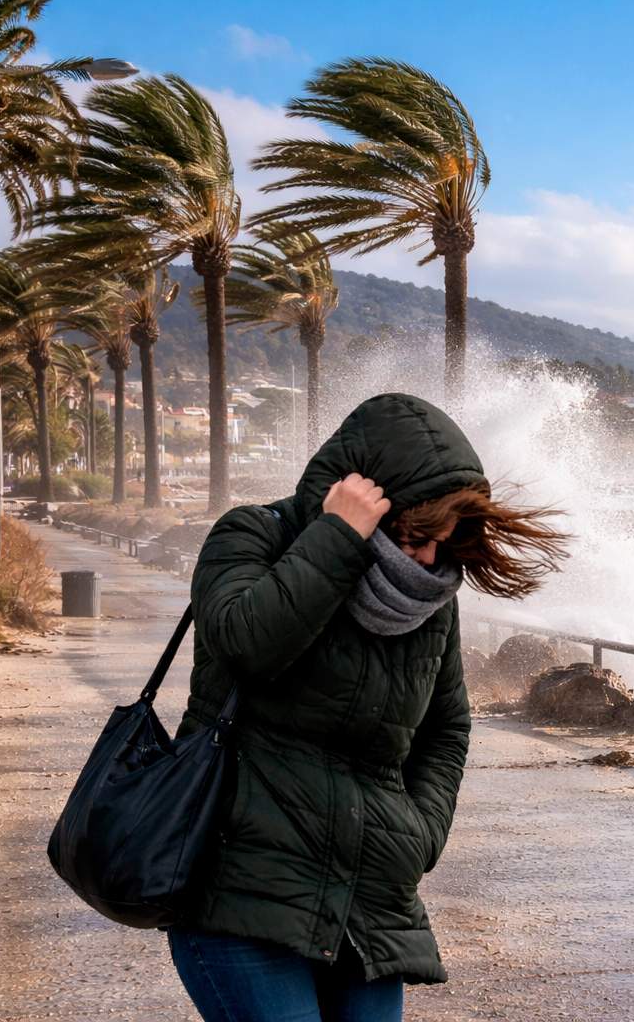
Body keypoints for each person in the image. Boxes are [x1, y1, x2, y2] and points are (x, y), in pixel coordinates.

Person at [167, 393, 566, 1021]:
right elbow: (246, 644)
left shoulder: (430, 605)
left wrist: (420, 833)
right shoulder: (252, 536)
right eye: (416, 535)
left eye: (443, 541)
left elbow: (447, 726)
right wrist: (336, 537)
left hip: (372, 905)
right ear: (365, 501)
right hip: (242, 893)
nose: (430, 559)